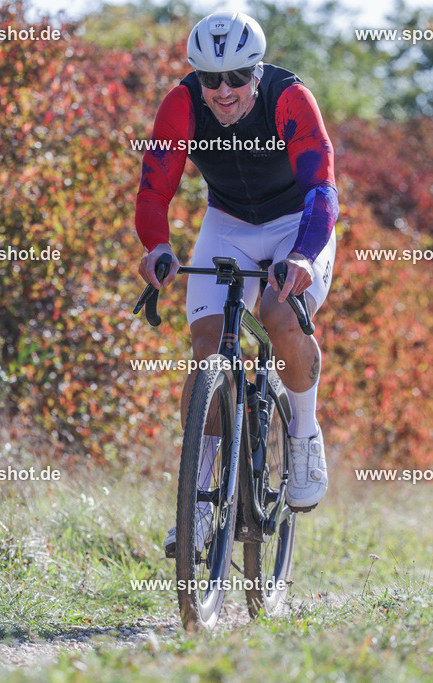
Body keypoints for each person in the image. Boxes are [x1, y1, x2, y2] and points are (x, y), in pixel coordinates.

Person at [133, 11, 340, 556]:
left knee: (277, 313)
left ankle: (302, 436)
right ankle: (198, 504)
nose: (224, 92)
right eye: (210, 79)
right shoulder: (182, 104)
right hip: (229, 225)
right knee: (206, 349)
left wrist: (302, 254)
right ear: (197, 77)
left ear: (257, 69)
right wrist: (157, 246)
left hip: (297, 222)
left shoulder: (289, 98)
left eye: (237, 78)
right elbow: (154, 192)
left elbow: (322, 188)